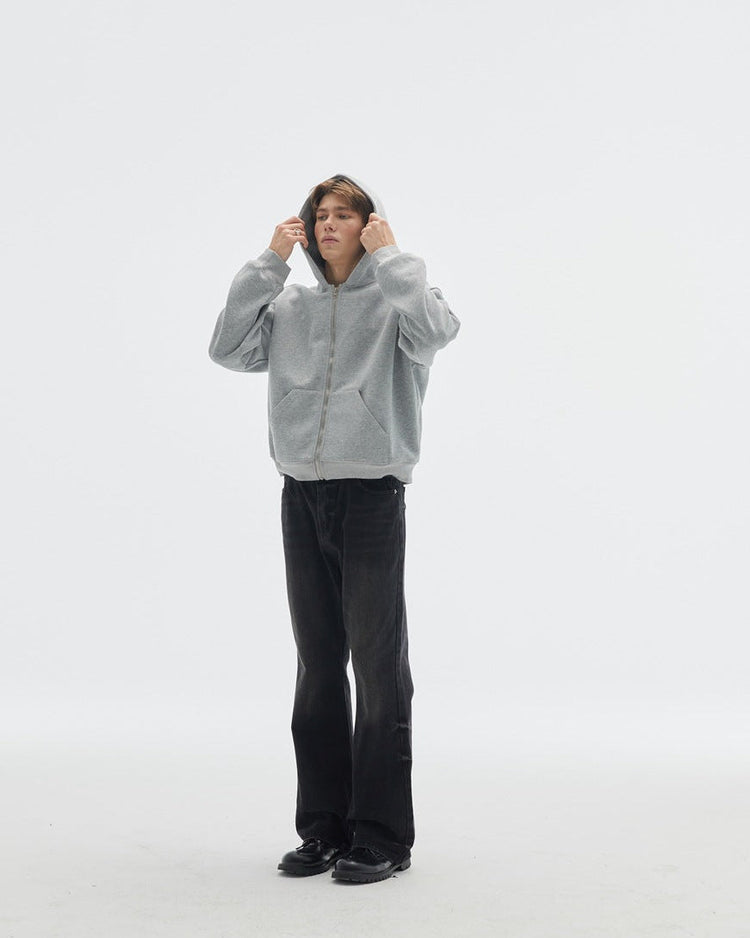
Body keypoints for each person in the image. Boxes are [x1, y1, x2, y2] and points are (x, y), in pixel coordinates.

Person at [208, 173, 460, 883]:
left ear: (368, 224)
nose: (327, 225)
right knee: (318, 668)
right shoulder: (290, 306)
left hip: (372, 496)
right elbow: (226, 348)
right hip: (302, 494)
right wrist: (268, 263)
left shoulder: (402, 301)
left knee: (378, 671)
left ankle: (382, 837)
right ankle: (323, 828)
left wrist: (394, 258)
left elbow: (438, 332)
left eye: (344, 214)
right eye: (319, 214)